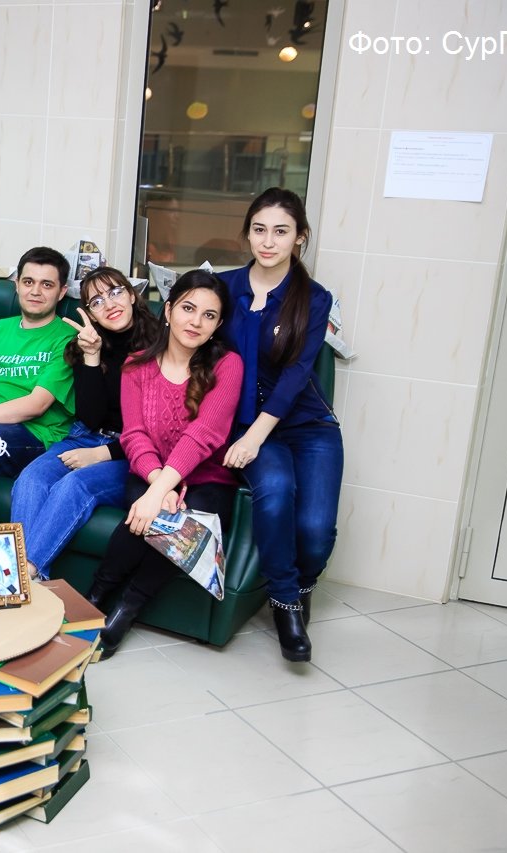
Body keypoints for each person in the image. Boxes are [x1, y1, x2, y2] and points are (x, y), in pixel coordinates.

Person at [86, 270, 242, 658]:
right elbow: (134, 435)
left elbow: (204, 434)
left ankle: (125, 610)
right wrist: (158, 484)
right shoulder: (136, 365)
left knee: (178, 525)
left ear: (217, 325)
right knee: (143, 517)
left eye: (209, 315)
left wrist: (159, 493)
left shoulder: (228, 365)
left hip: (208, 479)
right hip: (149, 469)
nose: (196, 321)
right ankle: (94, 598)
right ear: (169, 311)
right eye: (188, 308)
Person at [217, 187, 343, 663]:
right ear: (247, 233)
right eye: (259, 230)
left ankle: (304, 583)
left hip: (305, 423)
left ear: (300, 237)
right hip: (243, 420)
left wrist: (255, 437)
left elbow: (295, 376)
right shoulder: (223, 288)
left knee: (316, 530)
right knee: (274, 490)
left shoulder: (314, 298)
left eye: (281, 231)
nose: (268, 241)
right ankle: (286, 602)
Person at [9, 267, 158, 579]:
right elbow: (91, 418)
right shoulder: (86, 343)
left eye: (115, 292)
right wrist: (91, 356)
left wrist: (104, 454)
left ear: (132, 295)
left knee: (74, 485)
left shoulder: (161, 345)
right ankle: (28, 581)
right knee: (31, 479)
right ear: (90, 312)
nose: (109, 304)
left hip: (134, 451)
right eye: (97, 301)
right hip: (85, 436)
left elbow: (160, 429)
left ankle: (21, 576)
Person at [0, 246, 78, 524]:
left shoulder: (67, 338)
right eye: (28, 281)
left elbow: (36, 405)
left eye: (47, 284)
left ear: (61, 292)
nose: (35, 291)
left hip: (32, 436)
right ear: (17, 285)